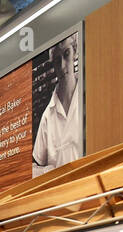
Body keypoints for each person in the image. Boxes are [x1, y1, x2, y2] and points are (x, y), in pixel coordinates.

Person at [31, 33, 83, 175]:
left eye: (66, 54)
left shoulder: (89, 96)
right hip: (62, 194)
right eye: (56, 60)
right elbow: (37, 165)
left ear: (75, 51)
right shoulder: (48, 116)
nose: (62, 66)